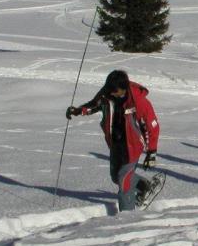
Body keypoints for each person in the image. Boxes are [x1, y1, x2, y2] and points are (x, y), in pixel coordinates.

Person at [66, 70, 159, 213]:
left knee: (123, 181)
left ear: (124, 89)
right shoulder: (107, 93)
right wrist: (78, 111)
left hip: (133, 146)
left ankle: (127, 216)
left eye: (115, 92)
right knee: (116, 177)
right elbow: (94, 105)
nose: (112, 94)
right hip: (115, 143)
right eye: (110, 90)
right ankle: (143, 186)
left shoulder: (138, 101)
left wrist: (151, 152)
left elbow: (152, 125)